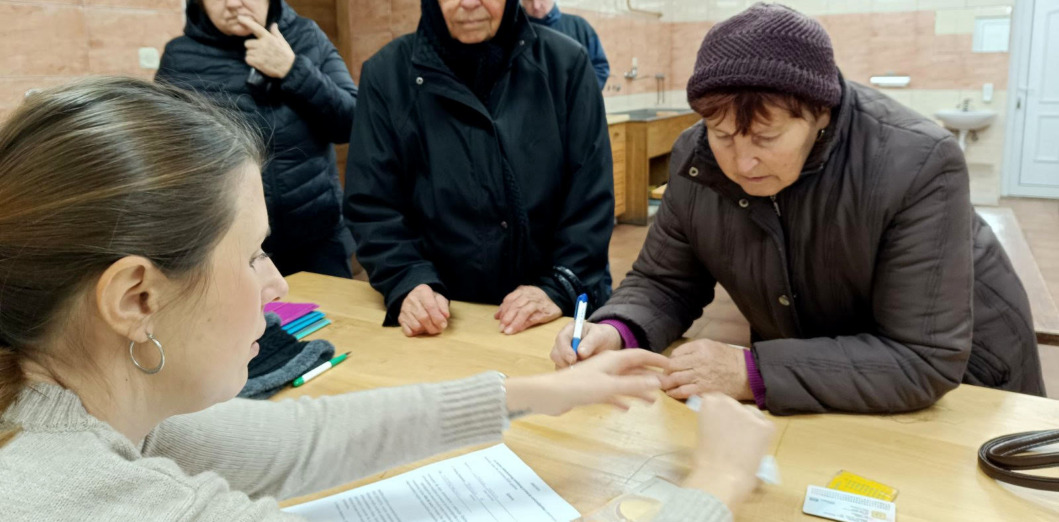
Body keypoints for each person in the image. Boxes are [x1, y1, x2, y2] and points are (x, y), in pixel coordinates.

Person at [0, 77, 770, 522]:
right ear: (136, 297)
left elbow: (299, 438)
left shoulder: (64, 406)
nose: (275, 288)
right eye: (252, 254)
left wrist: (536, 392)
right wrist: (717, 485)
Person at [551, 2, 1045, 415]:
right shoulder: (695, 156)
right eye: (723, 135)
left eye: (767, 137)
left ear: (821, 112)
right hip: (817, 375)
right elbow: (664, 280)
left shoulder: (916, 161)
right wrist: (617, 331)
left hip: (967, 384)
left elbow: (922, 357)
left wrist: (753, 371)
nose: (742, 161)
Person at [344, 0, 614, 337]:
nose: (469, 0)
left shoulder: (567, 66)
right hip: (446, 311)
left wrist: (560, 284)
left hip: (552, 306)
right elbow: (372, 201)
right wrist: (407, 278)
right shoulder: (386, 75)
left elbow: (591, 195)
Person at [156, 0, 357, 279]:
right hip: (231, 245)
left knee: (335, 330)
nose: (233, 2)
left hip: (316, 235)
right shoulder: (181, 57)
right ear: (201, 1)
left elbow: (353, 121)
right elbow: (168, 152)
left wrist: (293, 70)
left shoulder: (306, 37)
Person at [521, 0, 610, 89]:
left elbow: (600, 67)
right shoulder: (516, 32)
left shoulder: (579, 27)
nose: (536, 5)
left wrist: (581, 98)